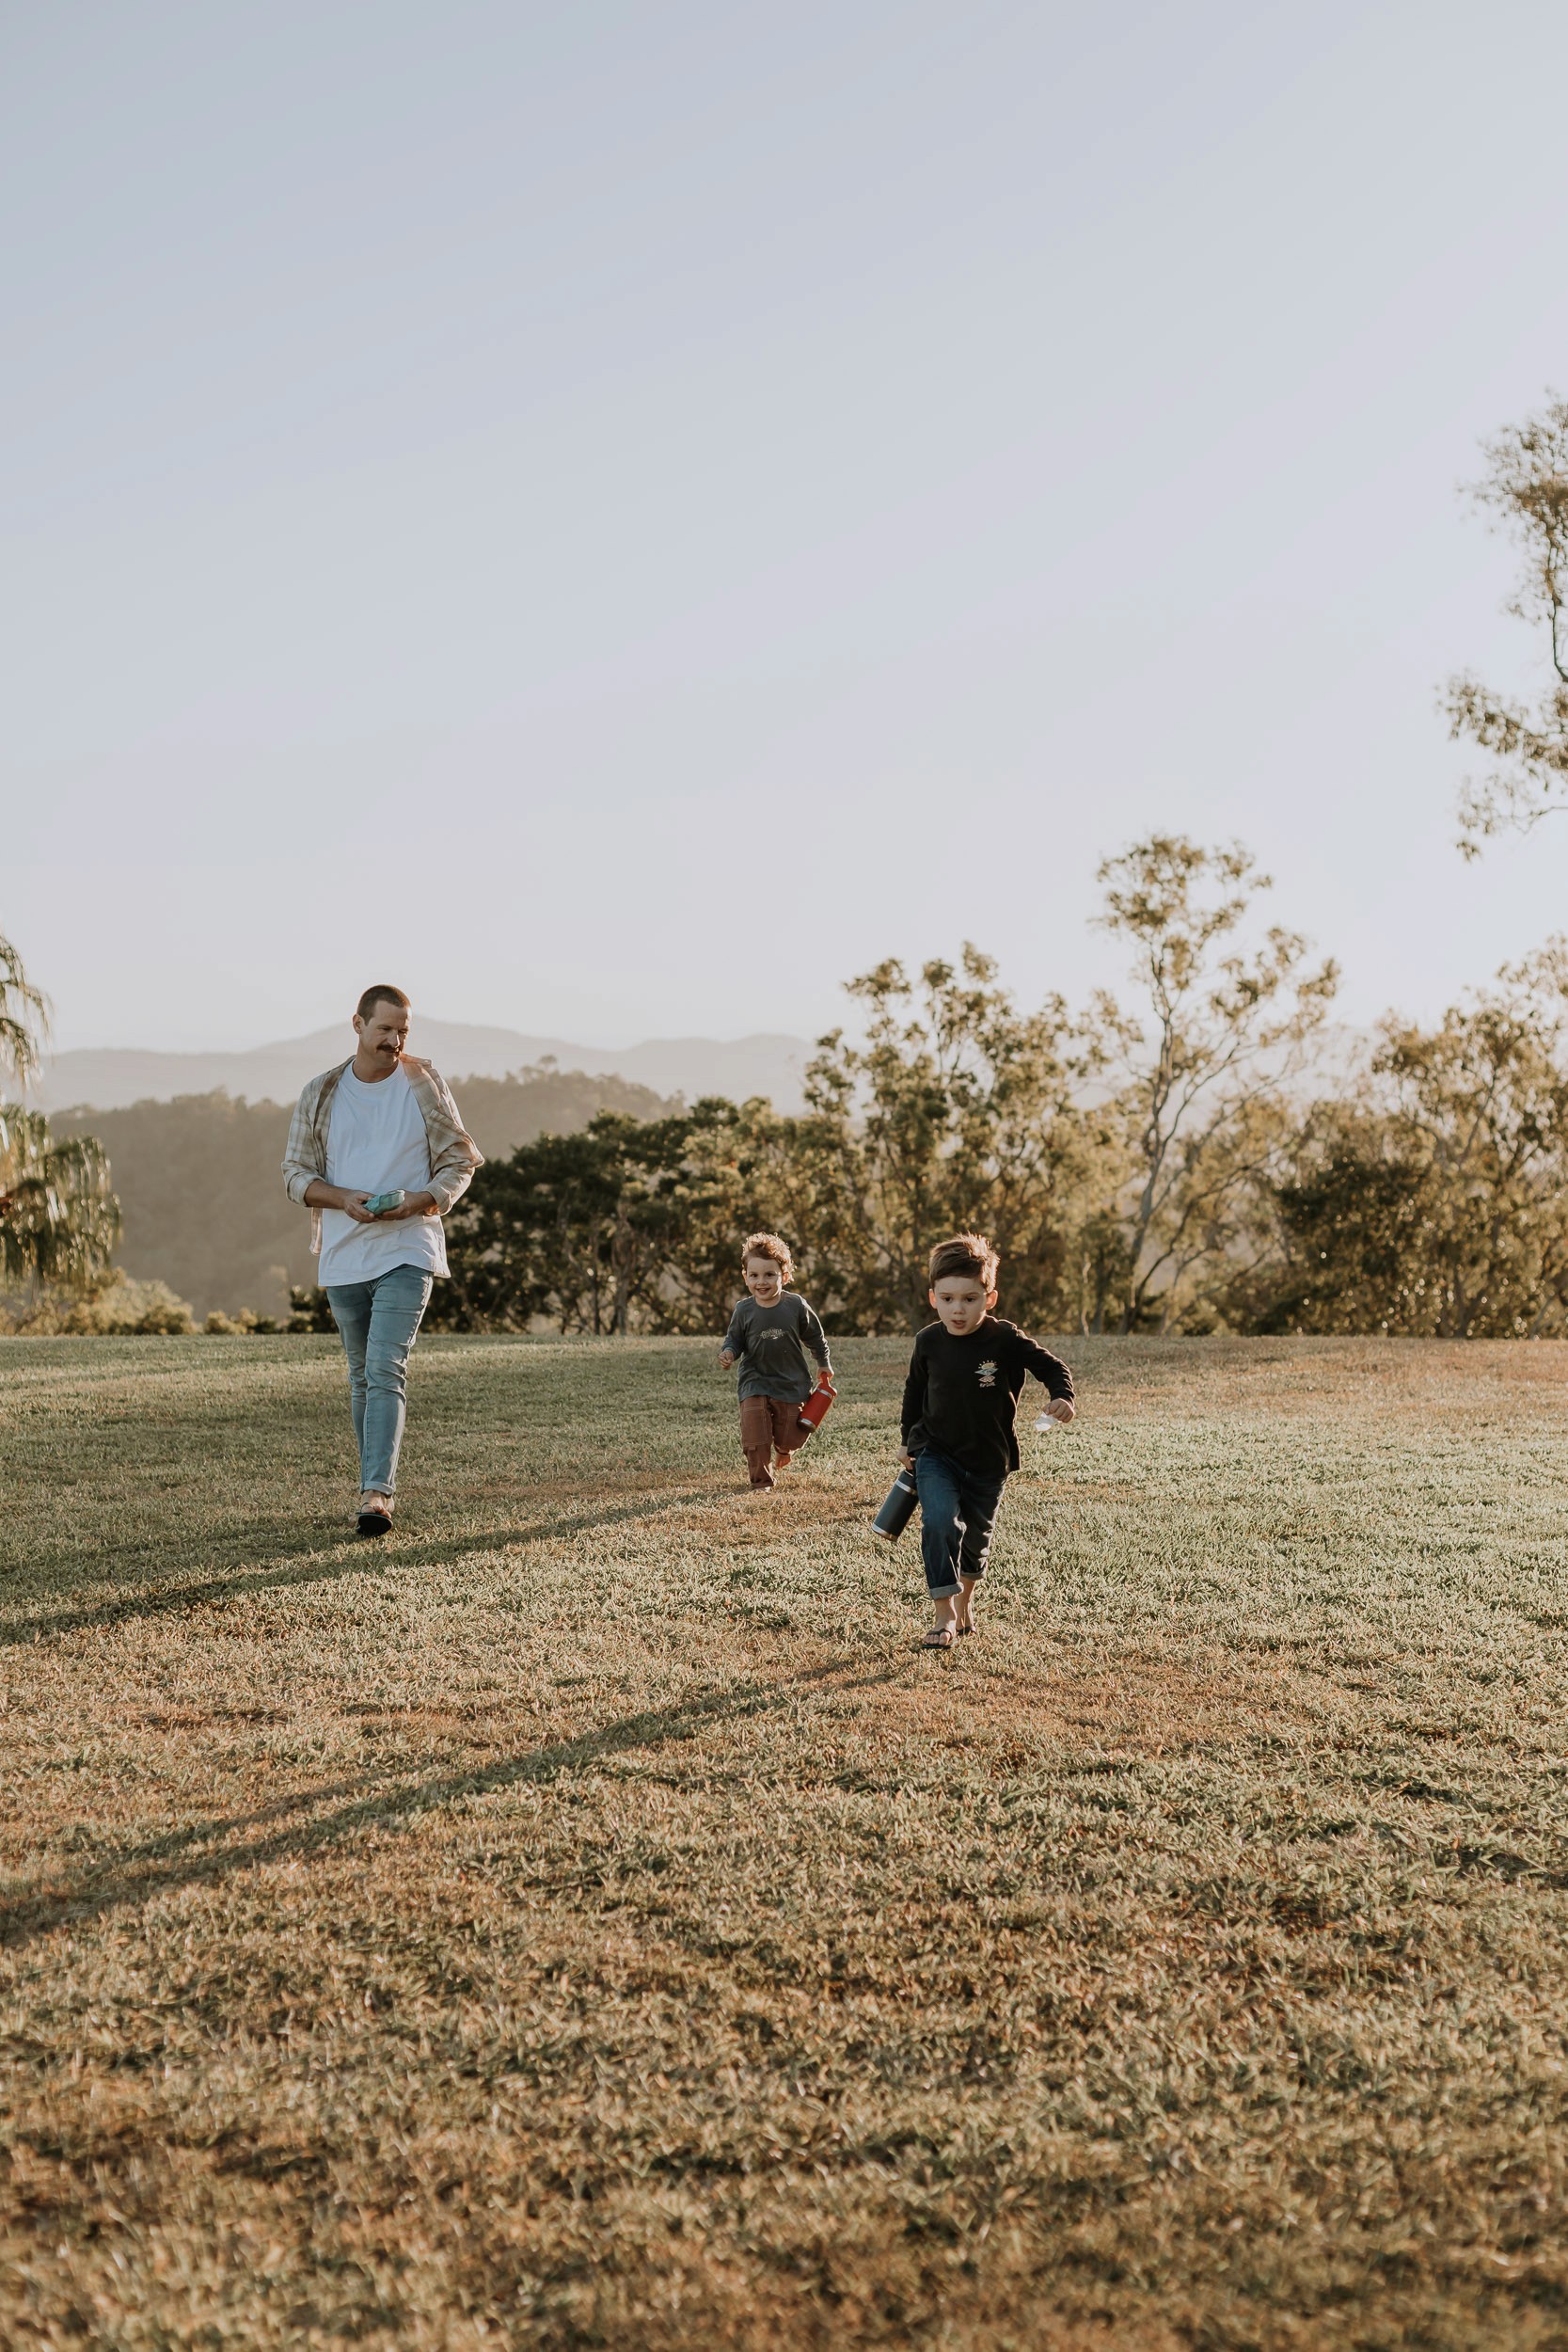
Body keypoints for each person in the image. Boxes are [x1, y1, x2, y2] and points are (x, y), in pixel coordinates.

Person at [282, 985, 482, 1536]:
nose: (395, 1041)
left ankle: (376, 1495)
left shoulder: (423, 1084)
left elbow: (460, 1161)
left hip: (408, 1246)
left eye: (403, 1032)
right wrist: (342, 1198)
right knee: (359, 1377)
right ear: (358, 1024)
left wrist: (418, 1202)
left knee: (384, 1368)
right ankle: (371, 1482)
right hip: (344, 1256)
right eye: (385, 1030)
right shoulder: (320, 1093)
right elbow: (294, 1175)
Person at [899, 1231, 1075, 1648]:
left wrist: (1063, 1396)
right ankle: (943, 1616)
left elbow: (1053, 1368)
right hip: (935, 1453)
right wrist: (908, 1440)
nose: (957, 1309)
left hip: (988, 1460)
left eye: (970, 1299)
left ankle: (965, 1603)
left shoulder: (1004, 1339)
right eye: (947, 1299)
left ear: (989, 1298)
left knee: (976, 1537)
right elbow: (913, 1393)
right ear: (933, 1298)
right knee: (939, 1522)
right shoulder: (927, 1342)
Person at [719, 1232, 833, 1491]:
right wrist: (728, 1353)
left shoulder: (795, 1306)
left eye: (769, 1274)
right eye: (754, 1275)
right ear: (745, 1276)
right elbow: (734, 1340)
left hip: (790, 1383)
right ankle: (761, 1483)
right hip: (754, 1382)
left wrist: (823, 1362)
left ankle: (784, 1448)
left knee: (791, 1437)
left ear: (784, 1275)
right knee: (755, 1436)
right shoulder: (743, 1310)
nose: (762, 1281)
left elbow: (815, 1336)